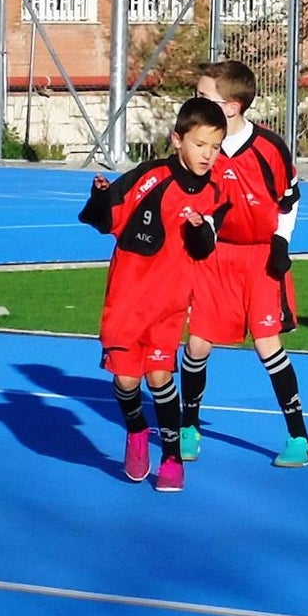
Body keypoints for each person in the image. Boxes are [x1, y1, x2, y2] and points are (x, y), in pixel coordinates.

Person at [79, 97, 229, 492]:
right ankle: (135, 432)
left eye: (215, 147)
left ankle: (173, 459)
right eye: (200, 145)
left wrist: (200, 230)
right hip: (128, 298)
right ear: (177, 139)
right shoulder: (151, 177)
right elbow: (107, 217)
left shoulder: (214, 192)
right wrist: (99, 196)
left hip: (170, 303)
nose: (207, 155)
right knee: (127, 381)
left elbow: (206, 246)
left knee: (160, 376)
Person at [180, 59, 308, 468]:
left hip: (259, 257)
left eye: (204, 96)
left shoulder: (270, 149)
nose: (196, 102)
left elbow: (288, 201)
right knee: (198, 341)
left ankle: (301, 440)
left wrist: (280, 242)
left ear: (233, 106)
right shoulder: (201, 148)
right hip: (216, 257)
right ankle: (189, 426)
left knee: (267, 344)